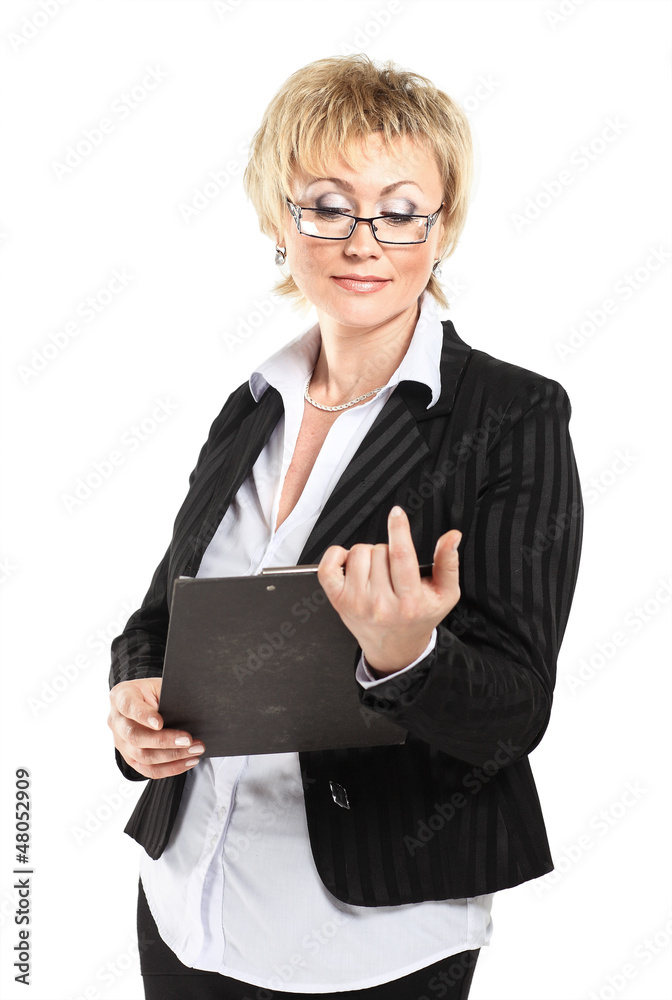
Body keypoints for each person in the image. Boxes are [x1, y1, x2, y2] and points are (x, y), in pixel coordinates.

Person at [108, 54, 583, 999]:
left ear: (442, 229)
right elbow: (162, 617)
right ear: (278, 222)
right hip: (187, 905)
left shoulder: (512, 415)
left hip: (372, 939)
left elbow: (516, 711)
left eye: (400, 211)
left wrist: (409, 656)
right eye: (328, 205)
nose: (364, 241)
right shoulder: (252, 407)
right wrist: (134, 700)